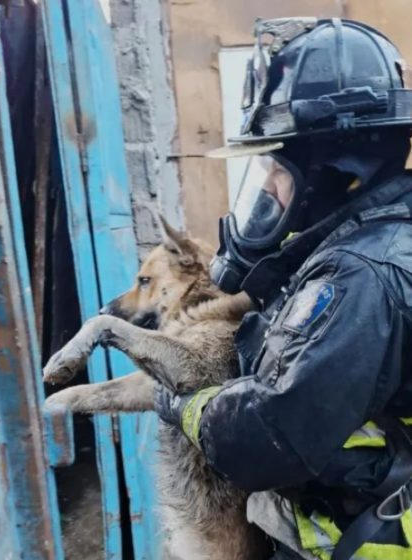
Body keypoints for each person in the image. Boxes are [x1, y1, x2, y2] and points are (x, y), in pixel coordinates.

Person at [152, 18, 412, 559]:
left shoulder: (361, 275)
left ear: (338, 170)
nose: (268, 185)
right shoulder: (373, 238)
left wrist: (181, 404)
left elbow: (271, 438)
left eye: (278, 166)